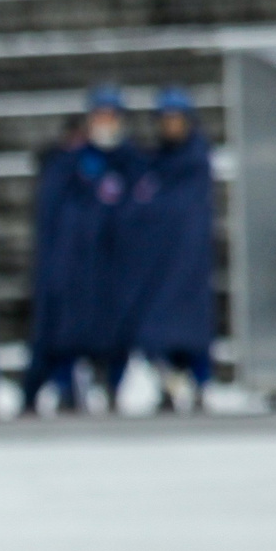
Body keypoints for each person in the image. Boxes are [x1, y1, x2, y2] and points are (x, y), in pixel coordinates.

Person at [21, 89, 136, 412]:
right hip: (74, 265)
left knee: (114, 334)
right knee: (65, 333)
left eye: (111, 117)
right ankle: (66, 389)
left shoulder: (131, 161)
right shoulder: (69, 163)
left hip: (114, 267)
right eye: (100, 117)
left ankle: (113, 387)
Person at [122, 89, 218, 412]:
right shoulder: (155, 163)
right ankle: (168, 385)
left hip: (189, 261)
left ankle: (201, 385)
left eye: (177, 120)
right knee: (156, 332)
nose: (171, 127)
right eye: (166, 121)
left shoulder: (194, 161)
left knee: (193, 331)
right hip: (159, 262)